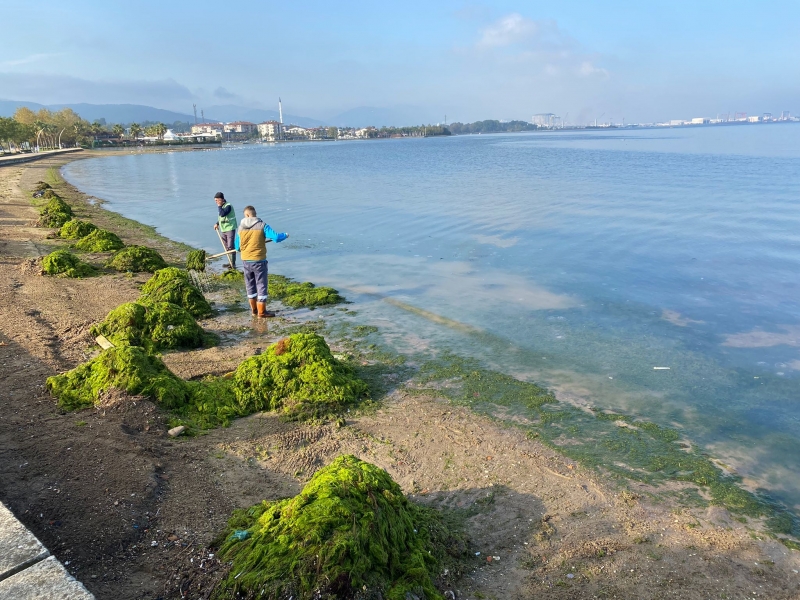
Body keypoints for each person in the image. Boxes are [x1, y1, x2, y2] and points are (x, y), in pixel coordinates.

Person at [234, 205, 288, 318]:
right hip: (259, 260)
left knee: (250, 285)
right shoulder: (262, 225)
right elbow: (276, 238)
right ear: (254, 214)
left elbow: (237, 247)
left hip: (245, 261)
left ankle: (254, 311)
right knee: (261, 285)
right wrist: (285, 235)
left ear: (247, 215)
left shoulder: (240, 228)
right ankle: (262, 312)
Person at [213, 192, 237, 268]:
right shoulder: (221, 207)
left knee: (230, 246)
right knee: (226, 246)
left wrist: (219, 206)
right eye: (215, 200)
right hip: (223, 229)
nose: (216, 202)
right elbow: (221, 217)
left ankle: (233, 263)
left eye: (217, 200)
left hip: (230, 228)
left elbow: (223, 214)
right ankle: (229, 262)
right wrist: (217, 223)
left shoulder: (228, 206)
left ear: (221, 199)